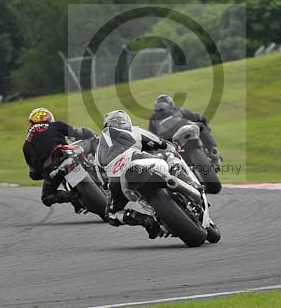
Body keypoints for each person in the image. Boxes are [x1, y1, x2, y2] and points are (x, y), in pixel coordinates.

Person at [96, 109, 174, 239]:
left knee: (111, 215)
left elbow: (100, 173)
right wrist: (170, 147)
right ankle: (189, 181)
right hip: (139, 159)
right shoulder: (133, 130)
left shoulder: (99, 147)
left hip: (116, 179)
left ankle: (145, 220)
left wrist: (106, 187)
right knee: (171, 155)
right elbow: (162, 143)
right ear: (126, 121)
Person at [22, 107, 96, 212]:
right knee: (93, 140)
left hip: (51, 168)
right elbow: (80, 132)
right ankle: (103, 169)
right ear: (49, 117)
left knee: (46, 198)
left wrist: (44, 174)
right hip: (67, 154)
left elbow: (33, 174)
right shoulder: (55, 125)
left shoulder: (26, 144)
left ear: (31, 122)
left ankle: (70, 196)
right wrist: (90, 133)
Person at [148, 94, 220, 164]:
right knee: (200, 126)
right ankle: (212, 149)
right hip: (183, 129)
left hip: (169, 140)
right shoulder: (176, 109)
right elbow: (199, 117)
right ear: (170, 103)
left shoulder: (153, 118)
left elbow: (151, 136)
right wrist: (207, 128)